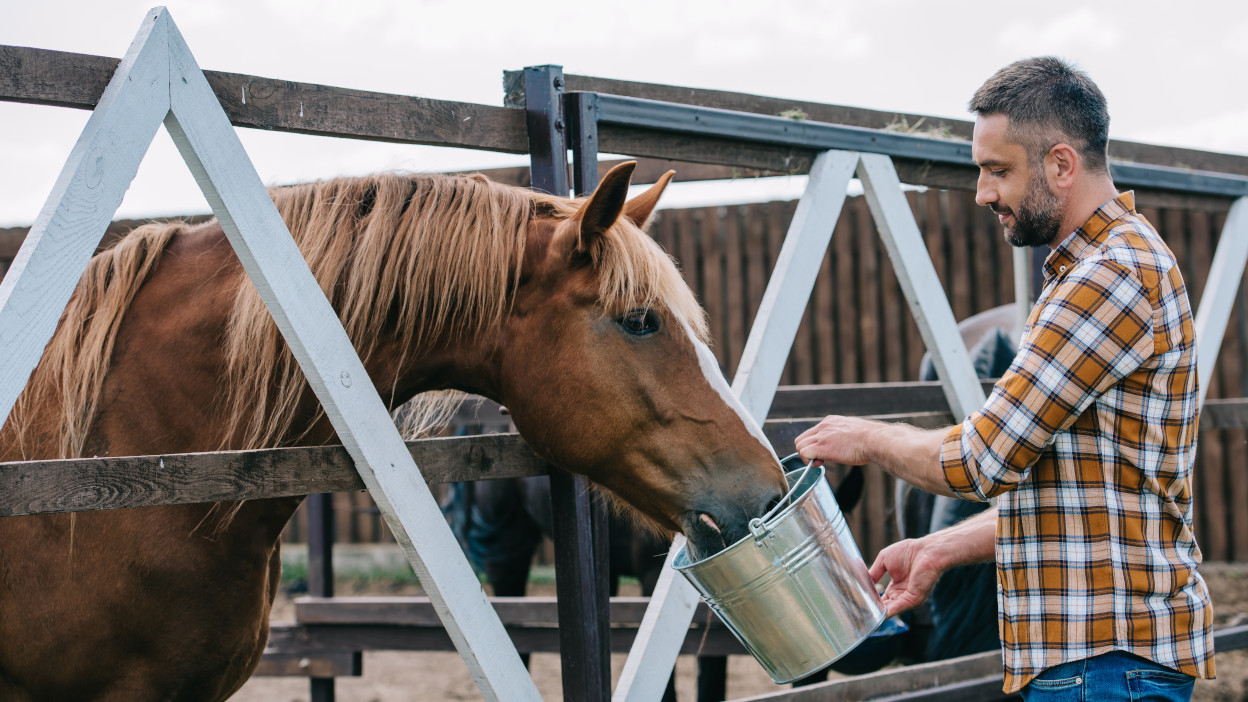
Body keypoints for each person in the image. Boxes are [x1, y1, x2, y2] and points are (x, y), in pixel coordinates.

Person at [795, 56, 1215, 699]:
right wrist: (940, 547)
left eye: (998, 170)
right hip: (1102, 663)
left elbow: (981, 460)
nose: (983, 192)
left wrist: (867, 438)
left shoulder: (1108, 277)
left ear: (1061, 165)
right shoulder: (1104, 269)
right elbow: (1079, 496)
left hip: (1101, 668)